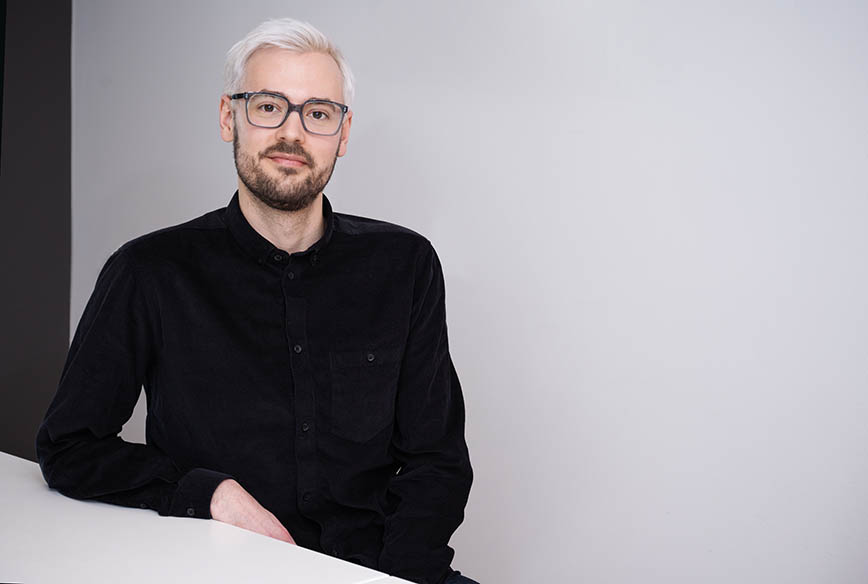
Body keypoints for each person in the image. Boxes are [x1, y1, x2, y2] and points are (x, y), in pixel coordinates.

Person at [36, 18, 477, 584]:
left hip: (380, 568)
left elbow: (436, 462)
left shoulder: (406, 266)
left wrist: (399, 575)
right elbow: (69, 445)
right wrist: (208, 492)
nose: (292, 133)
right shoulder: (150, 272)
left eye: (318, 112)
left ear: (342, 134)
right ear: (230, 117)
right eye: (269, 106)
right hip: (217, 570)